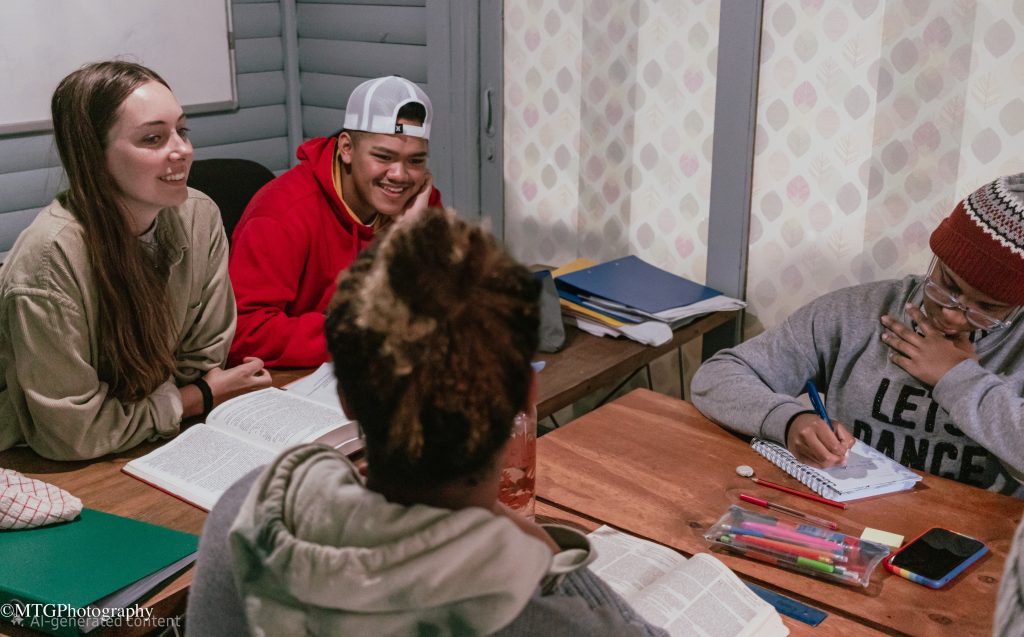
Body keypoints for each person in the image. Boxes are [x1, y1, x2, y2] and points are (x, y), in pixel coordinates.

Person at [187, 209, 666, 637]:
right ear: (526, 396)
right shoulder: (544, 618)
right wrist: (549, 558)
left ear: (346, 399)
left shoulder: (247, 514)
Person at [0, 61, 271, 461]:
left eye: (182, 131)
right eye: (153, 138)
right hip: (42, 464)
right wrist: (195, 398)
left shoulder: (200, 215)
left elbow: (203, 360)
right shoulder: (49, 258)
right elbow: (71, 433)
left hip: (155, 443)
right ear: (95, 156)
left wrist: (168, 401)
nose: (182, 150)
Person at [692, 174, 1024, 496]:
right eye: (947, 284)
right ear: (936, 257)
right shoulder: (858, 312)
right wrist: (790, 420)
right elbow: (716, 376)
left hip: (973, 528)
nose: (952, 314)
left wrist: (959, 379)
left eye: (987, 307)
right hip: (848, 516)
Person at [227, 75, 443, 368]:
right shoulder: (282, 211)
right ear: (347, 148)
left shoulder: (418, 202)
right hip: (300, 380)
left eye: (415, 161)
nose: (399, 175)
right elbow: (245, 332)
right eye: (383, 157)